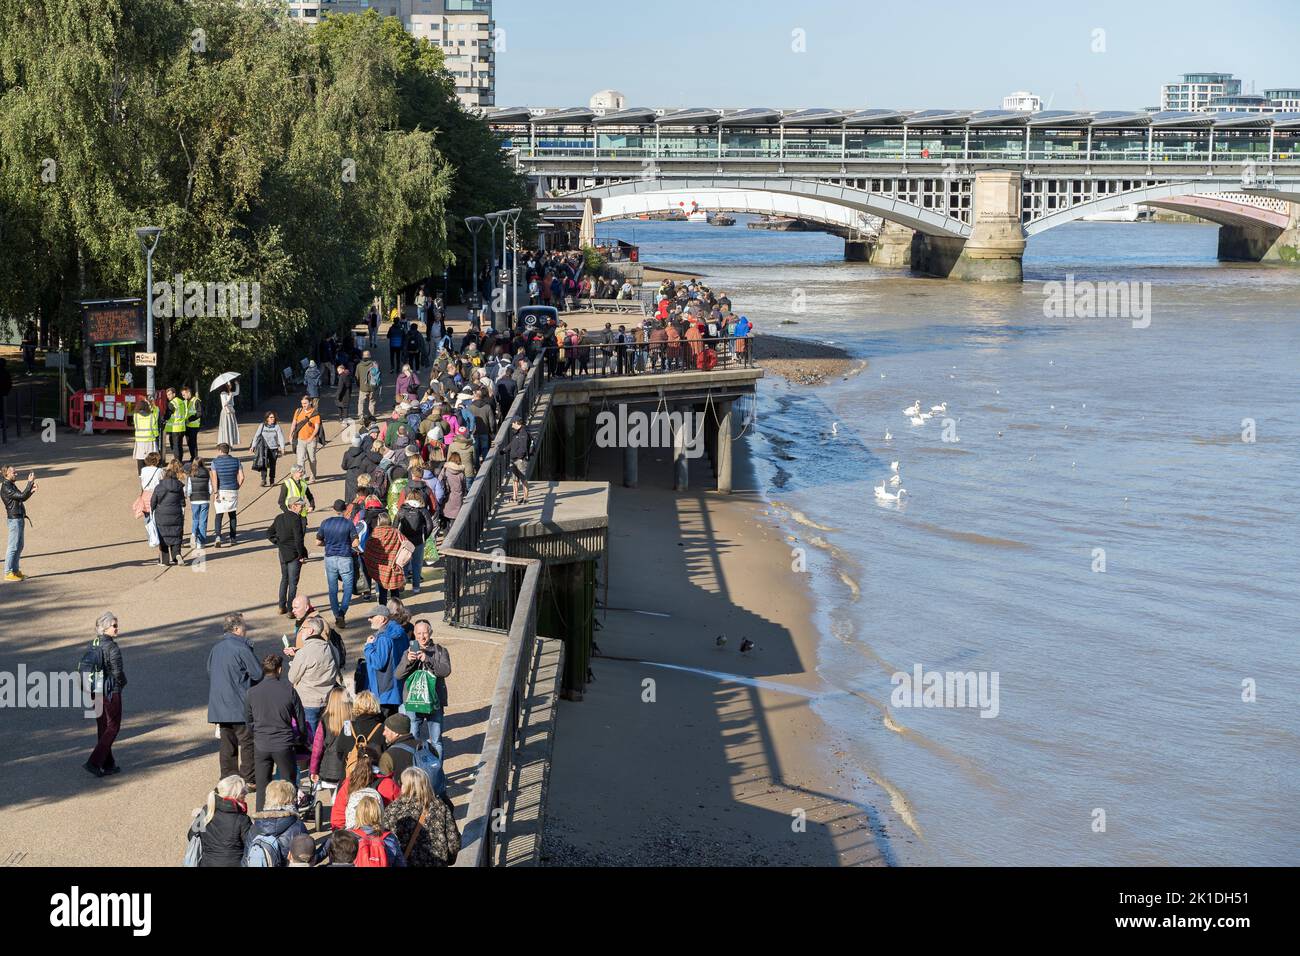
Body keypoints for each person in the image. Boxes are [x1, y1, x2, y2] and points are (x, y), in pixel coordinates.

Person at [244, 653, 305, 812]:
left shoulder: (252, 692)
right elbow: (300, 717)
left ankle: (260, 818)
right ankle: (290, 815)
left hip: (261, 744)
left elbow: (248, 720)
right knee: (288, 784)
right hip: (283, 744)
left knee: (262, 786)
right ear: (279, 670)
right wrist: (300, 737)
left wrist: (256, 735)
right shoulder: (288, 690)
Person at [207, 611, 261, 787]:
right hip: (239, 705)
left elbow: (210, 671)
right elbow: (258, 673)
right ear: (237, 628)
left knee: (227, 744)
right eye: (244, 626)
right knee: (247, 743)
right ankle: (248, 779)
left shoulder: (216, 648)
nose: (245, 629)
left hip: (220, 706)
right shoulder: (242, 649)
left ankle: (228, 778)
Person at [382, 766, 460, 867]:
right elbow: (454, 842)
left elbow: (387, 844)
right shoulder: (439, 806)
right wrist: (448, 860)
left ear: (405, 786)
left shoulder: (392, 810)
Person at [396, 618, 451, 753]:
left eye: (425, 633)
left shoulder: (440, 651)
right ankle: (415, 771)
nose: (422, 636)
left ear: (430, 632)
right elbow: (398, 675)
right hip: (413, 701)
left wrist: (428, 659)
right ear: (414, 633)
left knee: (436, 740)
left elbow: (445, 671)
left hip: (434, 701)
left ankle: (436, 773)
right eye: (419, 633)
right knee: (412, 740)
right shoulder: (408, 652)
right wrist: (409, 661)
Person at [83, 611, 127, 778]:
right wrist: (122, 684)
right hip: (110, 691)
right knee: (113, 726)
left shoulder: (93, 644)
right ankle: (94, 762)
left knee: (103, 726)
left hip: (95, 690)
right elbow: (117, 672)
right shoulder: (112, 647)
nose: (117, 628)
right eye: (114, 626)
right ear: (105, 629)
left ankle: (108, 764)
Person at [286, 614, 338, 745]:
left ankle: (314, 764)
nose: (301, 631)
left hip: (308, 701)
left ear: (310, 631)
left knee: (312, 740)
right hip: (328, 699)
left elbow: (292, 677)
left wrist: (294, 664)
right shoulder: (331, 648)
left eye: (303, 628)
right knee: (326, 736)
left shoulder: (304, 652)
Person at [329, 746, 401, 831]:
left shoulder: (349, 783)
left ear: (358, 762)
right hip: (380, 838)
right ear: (378, 762)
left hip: (353, 838)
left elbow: (338, 816)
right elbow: (400, 812)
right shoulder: (388, 784)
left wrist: (342, 836)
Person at [317, 499, 360, 628]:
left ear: (333, 509)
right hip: (345, 558)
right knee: (347, 587)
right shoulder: (348, 524)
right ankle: (342, 612)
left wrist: (328, 544)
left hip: (330, 557)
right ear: (345, 509)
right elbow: (356, 543)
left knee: (332, 589)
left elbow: (318, 542)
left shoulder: (325, 523)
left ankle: (336, 614)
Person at [246, 780, 309, 866]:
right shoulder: (298, 827)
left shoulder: (254, 827)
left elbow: (246, 859)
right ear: (290, 800)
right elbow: (306, 859)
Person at [362, 604, 409, 719]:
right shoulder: (400, 633)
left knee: (385, 726)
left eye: (372, 616)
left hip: (385, 690)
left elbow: (378, 663)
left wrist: (368, 647)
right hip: (396, 688)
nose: (369, 619)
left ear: (382, 619)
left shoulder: (383, 638)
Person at [194, 776, 252, 868]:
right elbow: (251, 846)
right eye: (243, 791)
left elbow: (192, 835)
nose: (246, 793)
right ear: (234, 795)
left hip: (207, 863)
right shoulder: (242, 819)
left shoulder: (206, 811)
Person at [267, 496, 308, 615]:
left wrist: (278, 542)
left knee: (284, 579)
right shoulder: (296, 519)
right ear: (293, 506)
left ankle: (281, 606)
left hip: (283, 553)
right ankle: (291, 609)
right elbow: (298, 539)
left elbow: (269, 533)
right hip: (294, 554)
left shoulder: (279, 517)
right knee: (293, 582)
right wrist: (301, 555)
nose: (302, 507)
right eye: (301, 505)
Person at [308, 686, 352, 788]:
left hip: (329, 770)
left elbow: (317, 749)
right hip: (347, 768)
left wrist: (313, 770)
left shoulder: (325, 720)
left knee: (335, 800)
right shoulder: (352, 720)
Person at [348, 794, 406, 867]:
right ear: (379, 814)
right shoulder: (390, 838)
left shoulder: (348, 837)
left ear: (358, 814)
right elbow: (400, 864)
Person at [150, 459, 188, 566]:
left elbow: (153, 502)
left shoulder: (159, 487)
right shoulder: (179, 486)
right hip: (176, 513)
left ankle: (164, 560)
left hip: (162, 515)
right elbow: (182, 502)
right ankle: (177, 555)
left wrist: (152, 510)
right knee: (176, 536)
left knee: (163, 537)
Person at [2, 465, 35, 582]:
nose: (16, 474)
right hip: (14, 520)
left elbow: (22, 497)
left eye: (15, 472)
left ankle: (15, 571)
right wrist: (29, 483)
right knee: (13, 546)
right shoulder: (6, 487)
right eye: (13, 473)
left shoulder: (11, 485)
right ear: (6, 474)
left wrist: (30, 491)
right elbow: (21, 496)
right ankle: (8, 572)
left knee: (19, 546)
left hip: (19, 518)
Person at [362, 513, 405, 605]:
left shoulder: (375, 533)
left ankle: (383, 612)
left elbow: (368, 549)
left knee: (382, 592)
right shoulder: (396, 532)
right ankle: (396, 611)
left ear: (379, 521)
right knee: (395, 590)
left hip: (381, 568)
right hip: (394, 565)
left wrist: (371, 561)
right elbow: (406, 544)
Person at [396, 493, 433, 596]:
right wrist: (424, 537)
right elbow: (430, 525)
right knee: (417, 565)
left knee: (403, 563)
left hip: (405, 542)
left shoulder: (402, 510)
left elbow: (395, 526)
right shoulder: (423, 510)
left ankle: (401, 585)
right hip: (418, 542)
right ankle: (416, 587)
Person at [211, 442, 244, 547]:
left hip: (221, 490)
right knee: (232, 514)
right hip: (233, 490)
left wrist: (215, 492)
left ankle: (218, 537)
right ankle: (233, 537)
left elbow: (215, 479)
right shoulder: (236, 461)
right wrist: (237, 486)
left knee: (219, 514)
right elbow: (242, 477)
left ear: (220, 451)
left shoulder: (215, 462)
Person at [290, 396, 323, 481]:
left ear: (310, 402)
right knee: (300, 459)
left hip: (311, 440)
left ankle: (313, 474)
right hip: (300, 440)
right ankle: (303, 476)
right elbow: (294, 423)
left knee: (312, 459)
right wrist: (291, 434)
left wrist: (311, 437)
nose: (303, 405)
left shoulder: (315, 413)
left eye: (305, 403)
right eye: (302, 403)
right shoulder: (298, 411)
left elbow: (317, 428)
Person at [138, 452, 164, 553]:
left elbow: (142, 483)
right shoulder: (159, 471)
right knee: (157, 516)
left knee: (147, 516)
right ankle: (158, 536)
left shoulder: (143, 470)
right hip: (156, 494)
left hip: (145, 494)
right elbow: (162, 482)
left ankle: (150, 538)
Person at [251, 412, 286, 487]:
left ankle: (272, 480)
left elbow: (280, 437)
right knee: (263, 464)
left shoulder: (277, 426)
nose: (273, 419)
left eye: (273, 417)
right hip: (263, 448)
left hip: (274, 449)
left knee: (273, 465)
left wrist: (282, 448)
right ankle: (263, 480)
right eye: (271, 417)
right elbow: (256, 436)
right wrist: (253, 446)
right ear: (267, 418)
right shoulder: (262, 425)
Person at [186, 458, 213, 550]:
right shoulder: (206, 472)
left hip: (194, 500)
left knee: (195, 519)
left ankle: (193, 533)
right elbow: (210, 487)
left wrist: (189, 495)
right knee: (203, 521)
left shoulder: (191, 473)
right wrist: (209, 493)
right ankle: (200, 542)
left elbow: (189, 488)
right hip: (205, 499)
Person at [131, 398, 162, 475]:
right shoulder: (151, 416)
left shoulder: (135, 415)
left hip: (139, 440)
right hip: (149, 439)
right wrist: (153, 404)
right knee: (150, 458)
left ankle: (141, 475)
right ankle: (150, 474)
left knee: (140, 458)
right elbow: (157, 412)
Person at [507, 417, 532, 505]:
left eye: (512, 423)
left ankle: (526, 498)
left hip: (520, 460)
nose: (512, 425)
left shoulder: (523, 433)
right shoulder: (517, 432)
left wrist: (520, 458)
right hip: (514, 460)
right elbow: (512, 444)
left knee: (523, 479)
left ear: (516, 423)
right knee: (515, 479)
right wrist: (504, 450)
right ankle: (515, 497)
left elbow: (523, 448)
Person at [356, 349, 380, 420]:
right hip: (373, 386)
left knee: (361, 402)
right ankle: (371, 416)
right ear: (370, 356)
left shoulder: (359, 365)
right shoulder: (374, 364)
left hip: (363, 387)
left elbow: (357, 377)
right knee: (372, 401)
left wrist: (359, 385)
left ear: (363, 356)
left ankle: (361, 416)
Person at [182, 385, 203, 462]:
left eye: (184, 394)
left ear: (188, 393)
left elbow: (200, 413)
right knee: (189, 443)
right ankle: (192, 457)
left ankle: (195, 459)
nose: (183, 396)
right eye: (182, 395)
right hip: (186, 425)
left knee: (193, 443)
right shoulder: (184, 402)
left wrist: (190, 419)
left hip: (194, 425)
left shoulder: (196, 401)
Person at [217, 380, 241, 448]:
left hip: (231, 411)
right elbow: (225, 403)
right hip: (226, 412)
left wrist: (237, 385)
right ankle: (225, 445)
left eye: (230, 383)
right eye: (228, 384)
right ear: (225, 386)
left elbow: (237, 393)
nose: (230, 385)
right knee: (226, 428)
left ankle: (230, 444)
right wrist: (230, 396)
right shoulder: (223, 393)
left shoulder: (229, 393)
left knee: (231, 428)